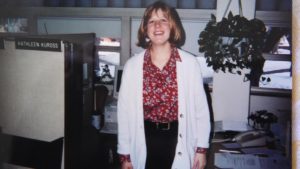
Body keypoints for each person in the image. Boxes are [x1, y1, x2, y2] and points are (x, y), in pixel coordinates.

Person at [117, 1, 211, 169]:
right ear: (145, 29)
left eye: (163, 20)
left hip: (179, 138)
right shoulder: (132, 66)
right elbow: (124, 114)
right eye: (151, 21)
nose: (157, 25)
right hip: (144, 138)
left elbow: (201, 111)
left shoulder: (190, 63)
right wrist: (125, 156)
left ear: (172, 26)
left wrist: (201, 150)